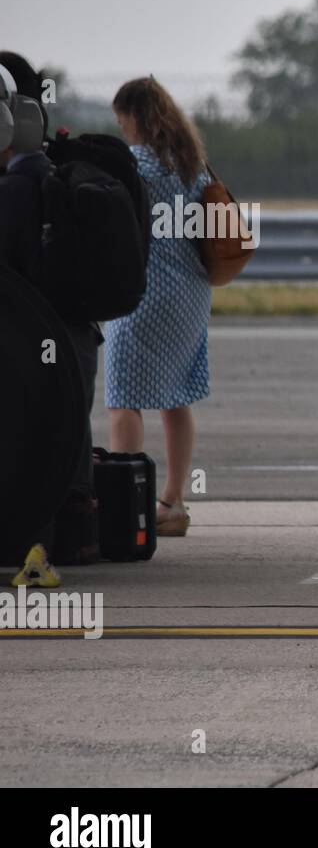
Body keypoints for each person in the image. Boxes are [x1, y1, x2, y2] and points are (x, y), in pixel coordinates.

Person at [1, 52, 100, 584]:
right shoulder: (59, 172)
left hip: (32, 337)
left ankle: (37, 546)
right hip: (74, 332)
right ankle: (75, 536)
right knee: (68, 434)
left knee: (33, 439)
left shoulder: (16, 189)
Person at [104, 77, 214, 536]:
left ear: (133, 117)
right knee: (177, 396)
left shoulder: (134, 166)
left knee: (122, 397)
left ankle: (124, 506)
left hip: (144, 296)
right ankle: (173, 501)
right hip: (191, 296)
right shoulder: (194, 166)